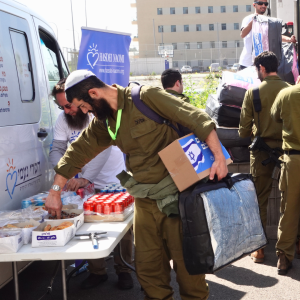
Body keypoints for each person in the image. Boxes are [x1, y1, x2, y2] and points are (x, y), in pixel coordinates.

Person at [45, 69, 228, 300]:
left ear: (93, 93)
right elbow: (77, 151)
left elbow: (196, 118)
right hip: (144, 202)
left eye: (83, 106)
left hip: (179, 199)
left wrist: (219, 158)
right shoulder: (105, 122)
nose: (84, 111)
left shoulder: (145, 97)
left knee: (189, 271)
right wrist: (55, 190)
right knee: (149, 272)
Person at [49, 78, 134, 290]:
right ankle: (97, 271)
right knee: (91, 225)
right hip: (84, 185)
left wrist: (85, 177)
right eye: (62, 107)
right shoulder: (64, 119)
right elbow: (57, 150)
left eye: (69, 106)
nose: (68, 111)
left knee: (121, 227)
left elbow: (101, 150)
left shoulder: (94, 114)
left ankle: (124, 269)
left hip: (113, 181)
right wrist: (64, 175)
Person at [239, 51, 290, 263]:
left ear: (261, 68)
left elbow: (242, 131)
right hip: (289, 152)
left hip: (261, 152)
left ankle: (259, 249)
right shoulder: (290, 90)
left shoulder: (254, 91)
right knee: (290, 201)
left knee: (259, 198)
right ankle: (294, 244)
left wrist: (256, 129)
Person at [270, 82, 300, 275]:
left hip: (294, 158)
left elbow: (275, 117)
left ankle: (283, 258)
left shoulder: (286, 93)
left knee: (289, 210)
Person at [239, 0, 296, 70]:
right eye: (260, 3)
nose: (263, 6)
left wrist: (289, 39)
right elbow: (242, 34)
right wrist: (253, 21)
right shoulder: (248, 19)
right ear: (254, 5)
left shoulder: (268, 20)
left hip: (261, 64)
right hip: (247, 63)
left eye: (265, 4)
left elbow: (276, 35)